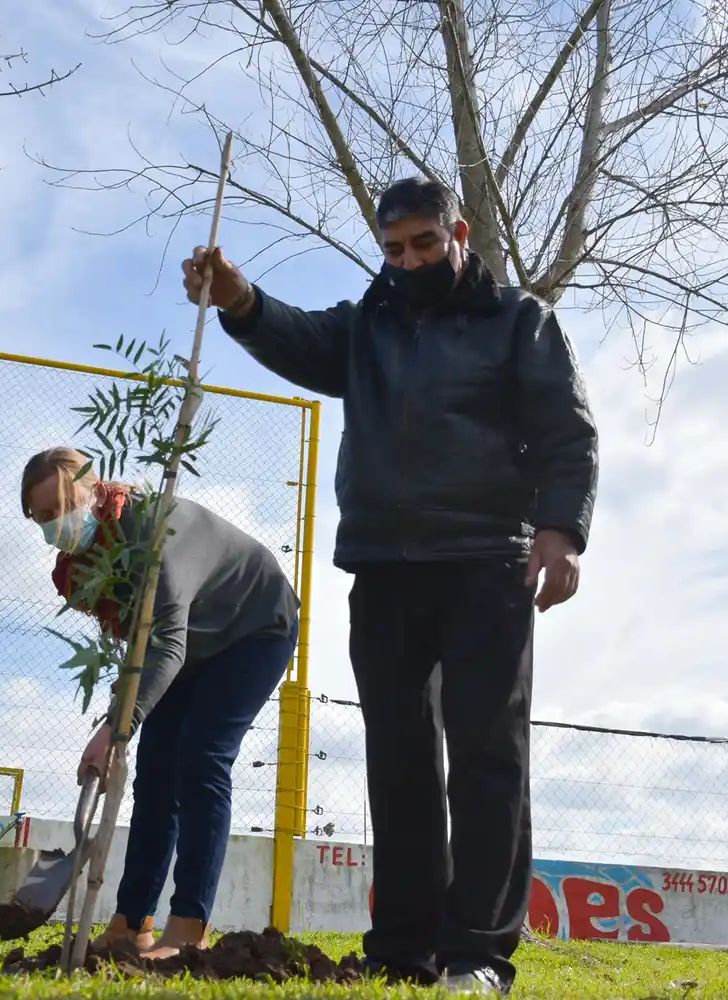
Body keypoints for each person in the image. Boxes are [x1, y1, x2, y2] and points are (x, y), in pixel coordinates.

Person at [182, 178, 598, 996]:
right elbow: (296, 336)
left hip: (488, 561)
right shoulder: (365, 325)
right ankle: (404, 949)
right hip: (383, 567)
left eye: (424, 245)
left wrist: (562, 529)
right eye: (393, 249)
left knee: (486, 755)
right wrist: (238, 298)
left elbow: (568, 431)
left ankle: (479, 952)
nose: (408, 262)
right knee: (398, 760)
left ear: (461, 234)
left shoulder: (520, 322)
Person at [21, 446, 300, 959]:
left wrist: (114, 730)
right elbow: (142, 651)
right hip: (193, 646)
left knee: (202, 756)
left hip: (255, 626)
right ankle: (132, 925)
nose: (53, 525)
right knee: (154, 772)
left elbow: (167, 643)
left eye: (60, 507)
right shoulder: (93, 561)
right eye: (40, 518)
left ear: (90, 487)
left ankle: (188, 929)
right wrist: (117, 722)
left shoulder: (154, 530)